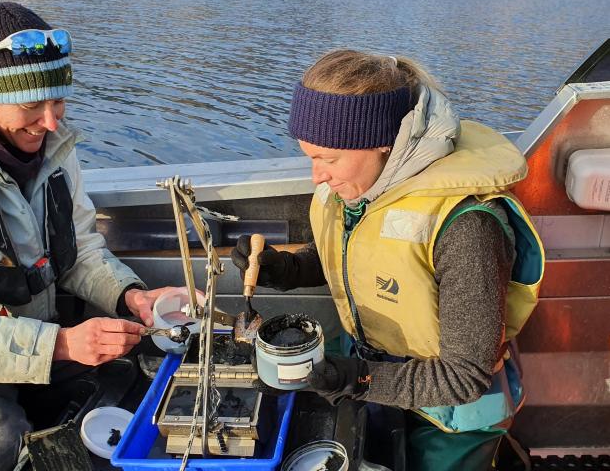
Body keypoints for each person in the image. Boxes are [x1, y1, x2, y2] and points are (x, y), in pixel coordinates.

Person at [232, 49, 545, 470]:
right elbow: (354, 256)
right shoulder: (363, 185)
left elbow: (463, 377)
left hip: (449, 418)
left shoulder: (466, 227)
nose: (316, 176)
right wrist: (284, 269)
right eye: (310, 156)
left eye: (328, 158)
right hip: (373, 379)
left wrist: (357, 379)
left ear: (382, 141)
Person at [0, 2, 177, 469]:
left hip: (40, 339)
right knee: (1, 434)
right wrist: (63, 345)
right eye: (31, 105)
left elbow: (82, 247)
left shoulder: (55, 148)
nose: (50, 123)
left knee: (135, 377)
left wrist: (133, 297)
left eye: (58, 100)